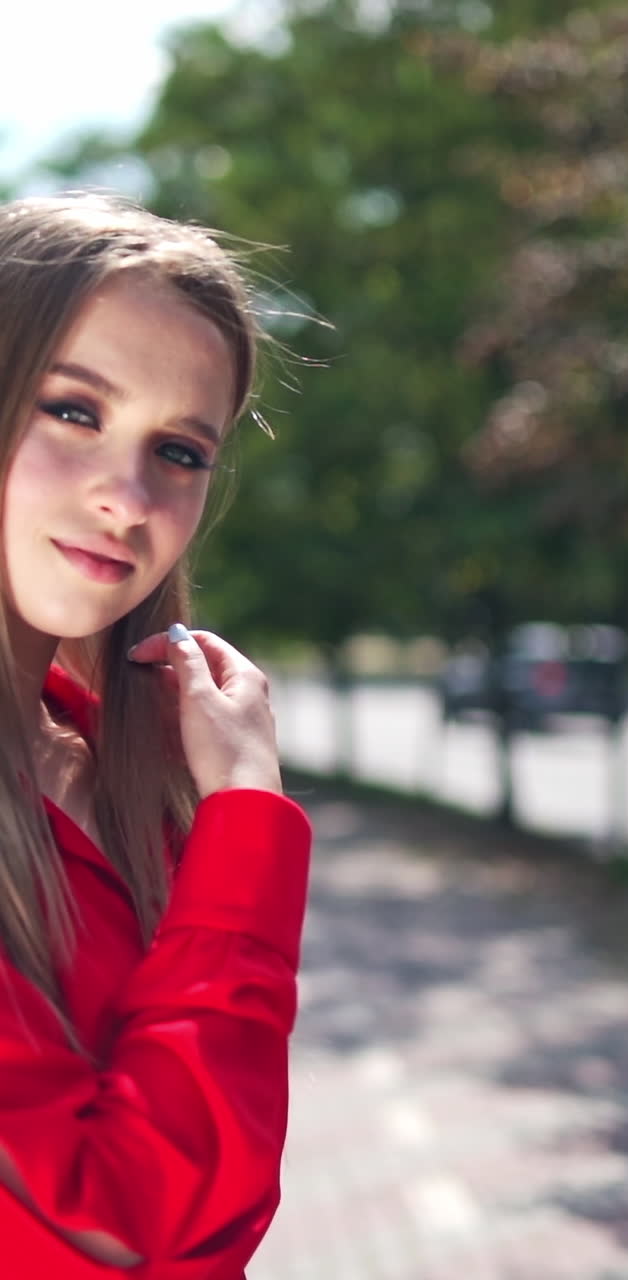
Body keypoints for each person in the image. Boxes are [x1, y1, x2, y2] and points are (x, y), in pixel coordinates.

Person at [0, 192, 312, 1277]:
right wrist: (246, 833)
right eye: (74, 411)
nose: (126, 497)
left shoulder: (113, 764)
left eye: (178, 450)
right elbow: (129, 1229)